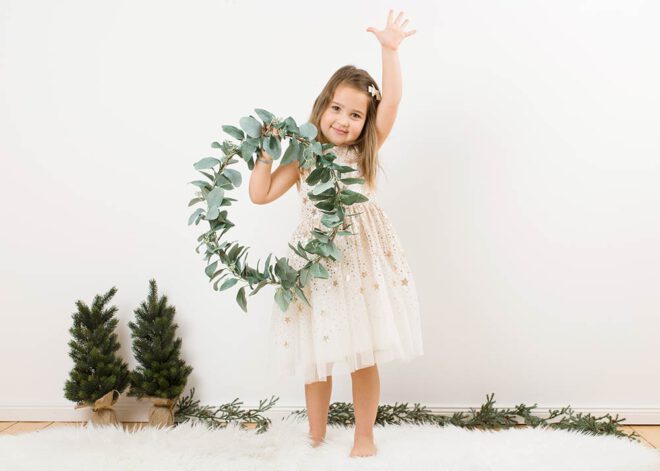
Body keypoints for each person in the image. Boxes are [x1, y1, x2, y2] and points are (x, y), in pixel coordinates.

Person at [248, 10, 421, 458]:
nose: (344, 120)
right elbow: (261, 195)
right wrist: (265, 155)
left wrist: (389, 50)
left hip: (360, 262)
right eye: (337, 109)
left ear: (368, 121)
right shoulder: (304, 155)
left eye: (356, 114)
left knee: (364, 354)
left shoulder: (365, 150)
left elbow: (394, 103)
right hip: (316, 264)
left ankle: (365, 434)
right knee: (317, 354)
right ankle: (317, 433)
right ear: (322, 107)